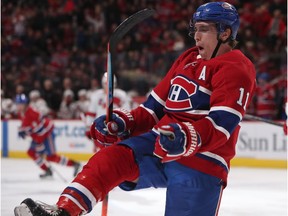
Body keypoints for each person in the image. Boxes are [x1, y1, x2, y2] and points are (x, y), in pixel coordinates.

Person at [14, 2, 256, 216]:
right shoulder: (187, 59)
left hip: (202, 161)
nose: (196, 36)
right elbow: (152, 110)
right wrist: (122, 123)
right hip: (159, 144)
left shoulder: (236, 66)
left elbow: (221, 126)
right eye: (195, 29)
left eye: (204, 29)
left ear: (225, 33)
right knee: (109, 158)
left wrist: (186, 136)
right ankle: (65, 210)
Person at [14, 94, 81, 179]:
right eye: (17, 104)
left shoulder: (32, 114)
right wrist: (22, 131)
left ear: (25, 104)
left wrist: (40, 146)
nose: (18, 106)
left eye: (20, 104)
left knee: (51, 157)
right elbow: (27, 126)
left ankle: (75, 164)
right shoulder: (22, 113)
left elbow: (41, 131)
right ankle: (47, 170)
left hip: (47, 133)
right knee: (31, 152)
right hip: (38, 136)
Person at [84, 72, 131, 152]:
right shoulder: (96, 95)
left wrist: (126, 127)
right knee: (100, 153)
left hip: (116, 129)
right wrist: (89, 128)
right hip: (100, 128)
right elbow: (91, 113)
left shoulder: (122, 95)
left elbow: (127, 112)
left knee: (116, 152)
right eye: (106, 84)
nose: (108, 86)